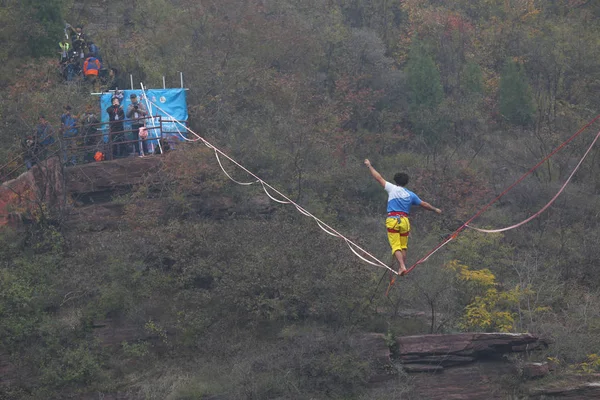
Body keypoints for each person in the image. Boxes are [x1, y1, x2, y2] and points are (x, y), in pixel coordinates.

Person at [364, 159, 442, 276]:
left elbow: (378, 178)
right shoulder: (411, 194)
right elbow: (424, 204)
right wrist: (435, 209)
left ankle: (402, 266)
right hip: (405, 221)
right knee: (403, 245)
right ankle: (402, 266)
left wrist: (369, 166)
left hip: (393, 220)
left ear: (396, 181)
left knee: (395, 245)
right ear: (406, 182)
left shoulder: (392, 188)